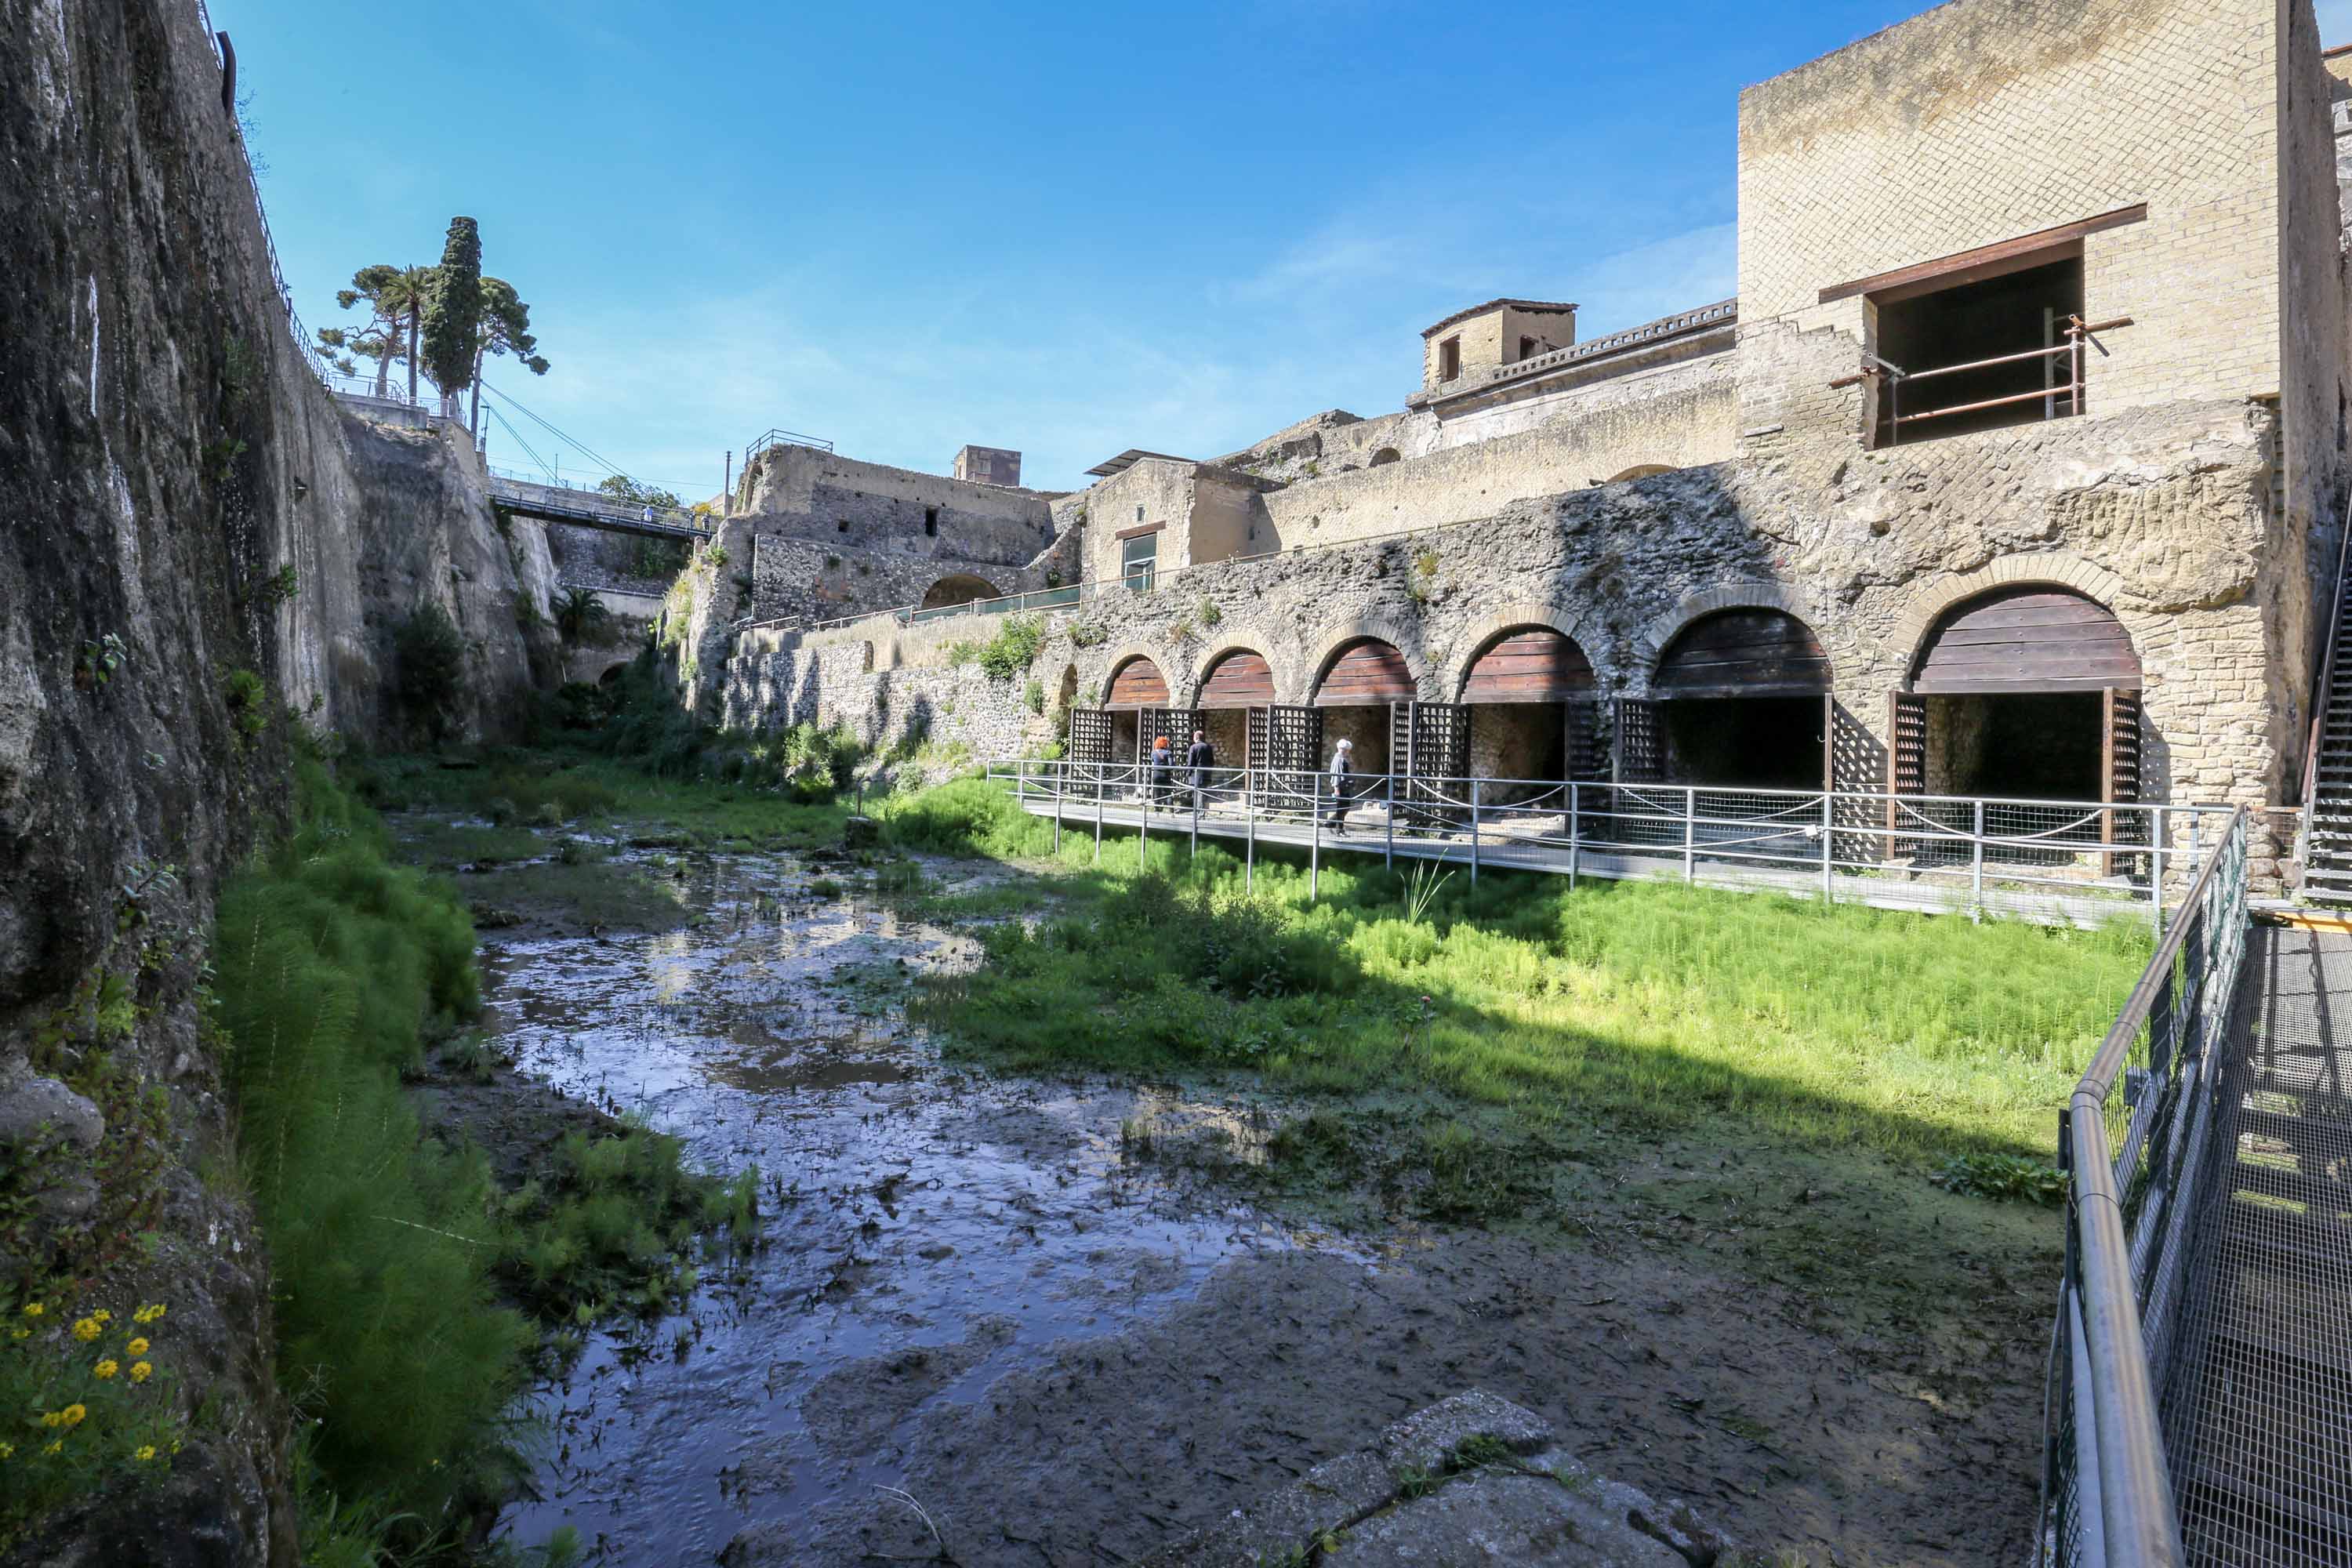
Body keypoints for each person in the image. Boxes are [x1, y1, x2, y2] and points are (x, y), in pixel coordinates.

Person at [1325, 737, 1355, 833]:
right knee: (1342, 808)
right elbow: (1336, 775)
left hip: (1344, 787)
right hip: (1341, 788)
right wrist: (1336, 788)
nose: (1347, 752)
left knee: (1344, 808)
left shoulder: (1341, 759)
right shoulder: (1338, 760)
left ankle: (1334, 825)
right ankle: (1335, 826)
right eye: (1346, 750)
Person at [1185, 728, 1214, 810]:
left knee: (1198, 794)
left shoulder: (1193, 747)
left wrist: (1188, 773)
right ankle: (1201, 811)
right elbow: (1212, 761)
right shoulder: (1208, 747)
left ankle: (1199, 812)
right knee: (1203, 793)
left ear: (1196, 738)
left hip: (1196, 774)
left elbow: (1190, 762)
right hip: (1206, 773)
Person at [1148, 734, 1176, 807]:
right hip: (1165, 774)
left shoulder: (1153, 752)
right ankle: (1171, 810)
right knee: (1168, 793)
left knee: (1157, 793)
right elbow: (1171, 765)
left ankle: (1157, 810)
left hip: (1156, 774)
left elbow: (1153, 761)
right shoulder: (1168, 753)